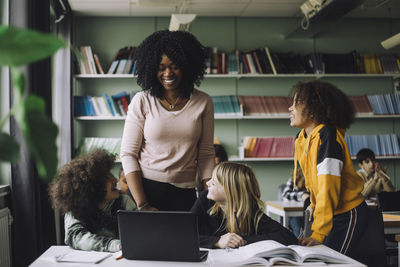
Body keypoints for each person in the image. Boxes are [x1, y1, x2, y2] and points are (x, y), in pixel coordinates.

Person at [120, 30, 215, 212]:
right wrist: (143, 204)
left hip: (185, 192)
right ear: (151, 68)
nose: (168, 73)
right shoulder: (143, 100)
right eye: (160, 67)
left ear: (188, 66)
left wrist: (210, 196)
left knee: (186, 241)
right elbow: (128, 154)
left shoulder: (203, 102)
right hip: (145, 190)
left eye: (174, 66)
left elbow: (206, 154)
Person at [289, 80, 367, 256]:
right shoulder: (302, 138)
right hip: (330, 213)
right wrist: (314, 205)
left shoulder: (327, 136)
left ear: (313, 109)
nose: (290, 108)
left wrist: (319, 233)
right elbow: (314, 181)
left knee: (331, 260)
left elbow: (327, 186)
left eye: (296, 103)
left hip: (348, 213)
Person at [191, 162, 298, 249]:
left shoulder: (251, 213)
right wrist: (217, 241)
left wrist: (240, 240)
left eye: (213, 183)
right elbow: (181, 235)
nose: (207, 183)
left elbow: (288, 237)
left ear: (230, 191)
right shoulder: (205, 200)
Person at [48, 150, 137, 252]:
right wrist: (114, 245)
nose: (115, 180)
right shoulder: (75, 207)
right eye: (107, 177)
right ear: (92, 186)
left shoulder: (124, 201)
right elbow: (76, 237)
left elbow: (140, 230)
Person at [281, 169, 309, 237]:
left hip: (309, 213)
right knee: (297, 225)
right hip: (295, 214)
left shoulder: (317, 178)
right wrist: (302, 195)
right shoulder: (294, 178)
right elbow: (286, 194)